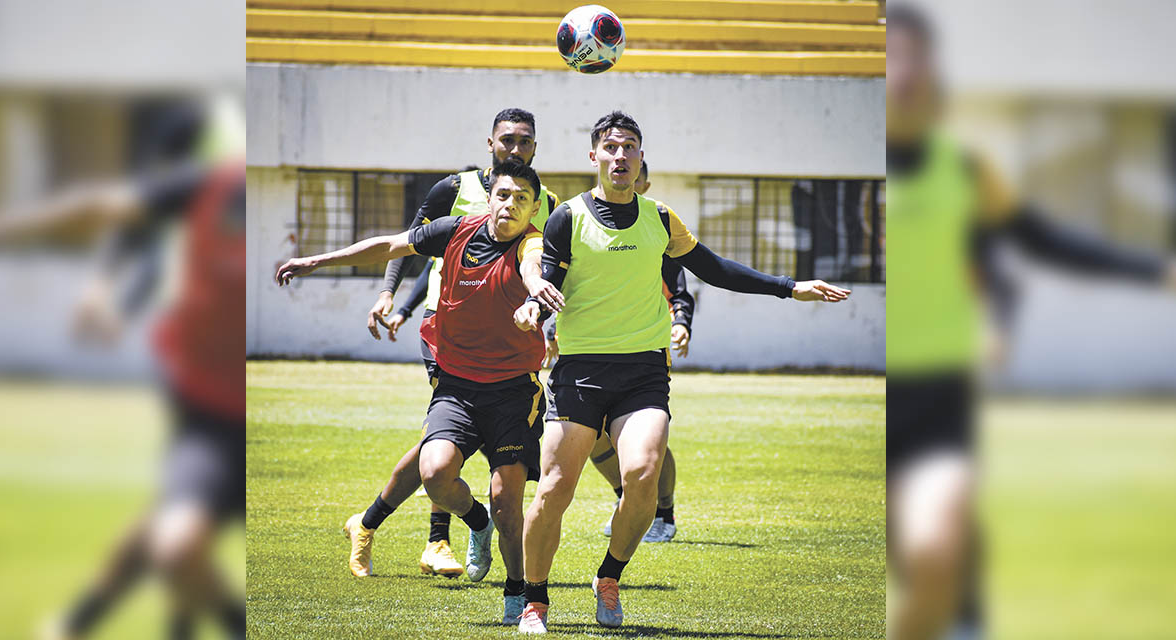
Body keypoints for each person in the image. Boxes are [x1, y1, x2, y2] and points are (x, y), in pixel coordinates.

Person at [885, 6, 1176, 639]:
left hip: (941, 396)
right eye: (894, 54)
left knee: (936, 552)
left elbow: (1041, 243)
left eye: (919, 55)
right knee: (925, 576)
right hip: (881, 402)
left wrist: (1163, 272)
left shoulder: (966, 170)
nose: (907, 70)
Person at [513, 111, 851, 633]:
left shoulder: (661, 218)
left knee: (643, 475)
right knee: (555, 488)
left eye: (629, 147)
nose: (620, 156)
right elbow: (548, 278)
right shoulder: (569, 217)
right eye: (610, 147)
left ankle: (609, 576)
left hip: (643, 371)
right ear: (594, 157)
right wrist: (536, 305)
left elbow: (714, 268)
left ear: (641, 157)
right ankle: (536, 599)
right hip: (578, 371)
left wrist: (789, 286)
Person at [0, 97, 247, 640]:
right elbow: (98, 209)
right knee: (177, 541)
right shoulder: (207, 186)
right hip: (204, 404)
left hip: (241, 411)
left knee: (169, 532)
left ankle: (81, 620)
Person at [277, 159, 564, 625]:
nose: (510, 204)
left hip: (514, 391)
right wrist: (317, 261)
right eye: (503, 195)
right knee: (434, 473)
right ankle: (475, 523)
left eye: (522, 199)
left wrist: (534, 301)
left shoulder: (533, 243)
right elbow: (391, 244)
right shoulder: (455, 231)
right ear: (490, 197)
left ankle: (521, 597)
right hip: (456, 384)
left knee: (507, 500)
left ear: (534, 208)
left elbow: (534, 270)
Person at [349, 110, 561, 578]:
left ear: (535, 148)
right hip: (446, 321)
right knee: (447, 437)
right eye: (507, 140)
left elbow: (544, 267)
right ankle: (439, 540)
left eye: (525, 142)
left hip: (509, 327)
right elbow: (410, 243)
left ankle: (377, 524)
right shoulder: (454, 188)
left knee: (447, 440)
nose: (515, 148)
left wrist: (546, 320)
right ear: (490, 142)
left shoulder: (544, 200)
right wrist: (389, 294)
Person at [588, 160, 693, 543]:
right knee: (595, 439)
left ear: (643, 183)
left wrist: (681, 322)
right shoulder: (584, 225)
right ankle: (628, 503)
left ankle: (663, 514)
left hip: (644, 352)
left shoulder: (657, 232)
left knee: (648, 438)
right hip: (593, 353)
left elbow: (681, 292)